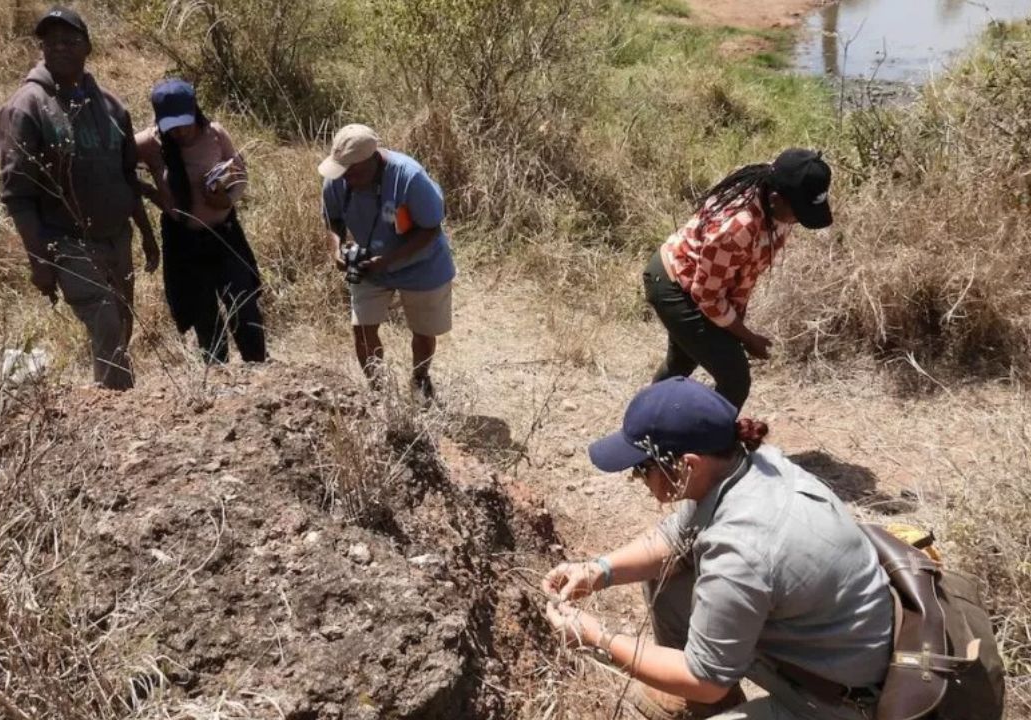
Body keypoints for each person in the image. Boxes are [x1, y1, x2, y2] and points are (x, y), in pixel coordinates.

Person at [540, 377, 893, 720]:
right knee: (667, 575)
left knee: (701, 680)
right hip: (820, 648)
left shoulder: (742, 549)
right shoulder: (748, 465)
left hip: (835, 702)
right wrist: (598, 570)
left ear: (687, 464)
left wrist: (595, 637)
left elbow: (704, 680)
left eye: (642, 468)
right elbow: (675, 538)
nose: (637, 479)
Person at [0, 5, 158, 390]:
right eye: (51, 42)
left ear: (88, 47)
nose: (60, 48)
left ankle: (112, 402)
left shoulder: (110, 106)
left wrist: (147, 233)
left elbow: (126, 175)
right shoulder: (27, 106)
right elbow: (18, 196)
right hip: (67, 240)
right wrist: (40, 262)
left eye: (70, 40)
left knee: (121, 321)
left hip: (117, 236)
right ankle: (119, 412)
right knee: (103, 319)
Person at [644, 149, 832, 409]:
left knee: (681, 363)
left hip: (698, 283)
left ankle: (648, 426)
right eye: (798, 213)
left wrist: (736, 326)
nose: (799, 221)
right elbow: (708, 296)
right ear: (776, 199)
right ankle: (704, 444)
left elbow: (727, 282)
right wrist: (747, 337)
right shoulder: (737, 227)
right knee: (734, 380)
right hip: (675, 286)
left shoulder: (778, 182)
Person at [319, 124, 456, 400]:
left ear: (372, 160)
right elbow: (332, 219)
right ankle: (378, 392)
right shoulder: (337, 177)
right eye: (341, 170)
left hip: (421, 265)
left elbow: (432, 228)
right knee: (362, 330)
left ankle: (420, 379)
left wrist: (391, 259)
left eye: (351, 172)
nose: (344, 177)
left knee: (423, 330)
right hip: (370, 265)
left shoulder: (409, 177)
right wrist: (337, 249)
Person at [135, 79, 267, 364]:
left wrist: (226, 198)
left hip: (225, 233)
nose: (180, 131)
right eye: (172, 125)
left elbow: (240, 175)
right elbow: (118, 167)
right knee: (203, 314)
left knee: (244, 305)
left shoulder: (215, 134)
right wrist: (150, 193)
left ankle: (257, 367)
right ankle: (217, 374)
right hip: (184, 241)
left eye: (184, 122)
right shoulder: (149, 144)